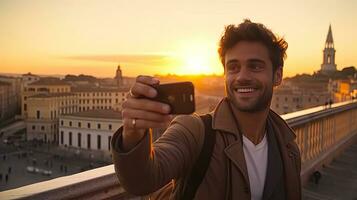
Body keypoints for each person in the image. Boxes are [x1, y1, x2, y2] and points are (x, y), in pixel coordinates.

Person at [112, 19, 301, 200]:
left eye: (255, 66)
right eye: (233, 67)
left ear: (277, 76)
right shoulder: (195, 131)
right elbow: (142, 180)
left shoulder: (288, 146)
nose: (242, 76)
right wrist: (133, 133)